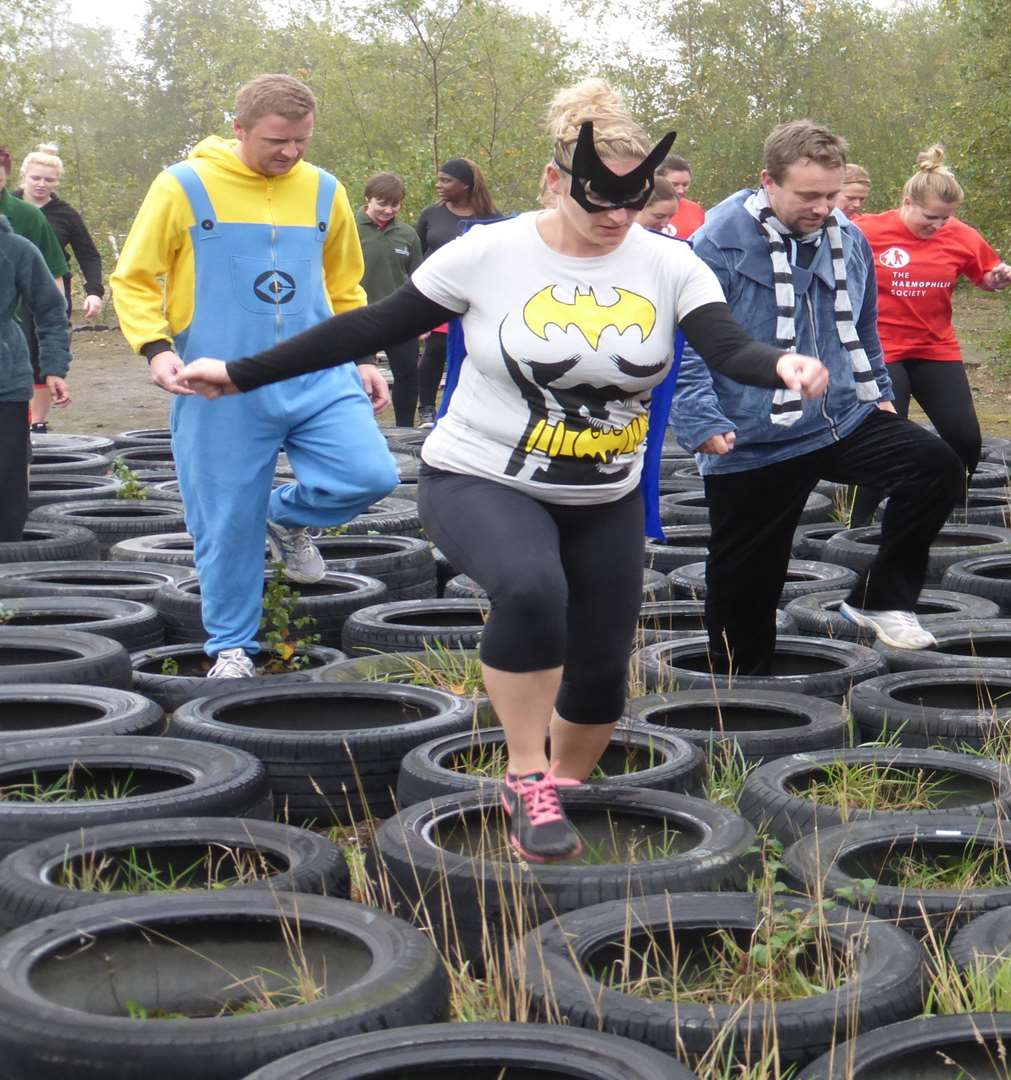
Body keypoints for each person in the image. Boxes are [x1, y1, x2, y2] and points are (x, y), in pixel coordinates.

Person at [179, 79, 827, 863]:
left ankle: (563, 787)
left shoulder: (670, 265)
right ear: (556, 183)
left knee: (601, 673)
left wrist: (781, 364)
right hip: (478, 476)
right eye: (598, 205)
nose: (616, 220)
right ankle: (526, 774)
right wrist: (240, 372)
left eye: (632, 204)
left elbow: (726, 346)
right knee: (530, 587)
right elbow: (373, 325)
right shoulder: (488, 253)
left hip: (604, 494)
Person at [110, 74, 397, 679]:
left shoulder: (324, 190)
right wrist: (156, 349)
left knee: (370, 474)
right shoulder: (183, 186)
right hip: (217, 384)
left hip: (316, 375)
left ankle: (284, 515)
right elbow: (135, 278)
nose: (291, 152)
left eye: (301, 140)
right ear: (238, 129)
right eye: (276, 140)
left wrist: (364, 359)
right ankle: (232, 648)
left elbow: (346, 289)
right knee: (224, 521)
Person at [673, 119, 965, 669]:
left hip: (839, 417)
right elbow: (688, 342)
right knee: (746, 585)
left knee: (935, 466)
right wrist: (700, 418)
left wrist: (876, 388)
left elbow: (864, 321)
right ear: (768, 181)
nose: (823, 207)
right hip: (752, 433)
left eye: (832, 195)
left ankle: (881, 599)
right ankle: (737, 697)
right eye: (808, 195)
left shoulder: (848, 237)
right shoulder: (715, 244)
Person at [846, 146, 1011, 526]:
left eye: (945, 218)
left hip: (935, 348)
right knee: (887, 439)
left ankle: (944, 509)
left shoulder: (961, 235)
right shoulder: (866, 230)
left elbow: (984, 275)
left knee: (966, 439)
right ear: (907, 202)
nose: (938, 225)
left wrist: (996, 280)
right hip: (883, 350)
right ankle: (857, 526)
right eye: (930, 217)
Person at [0, 214, 70, 540]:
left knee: (8, 485)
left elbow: (51, 309)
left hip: (7, 385)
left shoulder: (17, 250)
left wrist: (54, 367)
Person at [414, 157, 499, 422]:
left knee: (471, 351)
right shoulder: (432, 214)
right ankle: (427, 408)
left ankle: (468, 407)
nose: (439, 185)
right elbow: (417, 252)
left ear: (465, 185)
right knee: (435, 349)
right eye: (439, 179)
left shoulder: (491, 218)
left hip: (474, 295)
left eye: (446, 180)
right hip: (436, 293)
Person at [0, 146, 68, 435]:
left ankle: (37, 423)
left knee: (12, 472)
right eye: (36, 178)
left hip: (7, 375)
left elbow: (51, 300)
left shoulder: (21, 235)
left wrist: (54, 364)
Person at [356, 172, 426, 426]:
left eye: (394, 204)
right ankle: (361, 427)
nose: (388, 210)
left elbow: (419, 279)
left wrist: (422, 321)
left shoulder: (408, 234)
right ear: (368, 199)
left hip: (399, 317)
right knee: (360, 377)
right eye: (381, 203)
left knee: (408, 373)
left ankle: (405, 428)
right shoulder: (349, 227)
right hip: (358, 315)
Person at [17, 145, 105, 321]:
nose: (41, 184)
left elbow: (88, 255)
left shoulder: (66, 214)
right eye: (35, 178)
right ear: (23, 175)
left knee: (52, 345)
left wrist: (94, 292)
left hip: (53, 292)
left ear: (56, 181)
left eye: (49, 180)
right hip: (11, 293)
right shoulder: (7, 207)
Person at [659, 153, 704, 238]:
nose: (680, 190)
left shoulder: (696, 210)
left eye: (685, 184)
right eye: (674, 184)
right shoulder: (642, 209)